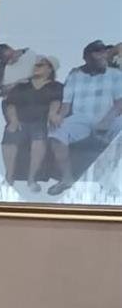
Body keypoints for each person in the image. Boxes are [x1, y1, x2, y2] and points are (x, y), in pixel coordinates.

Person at [48, 40, 122, 196]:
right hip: (81, 118)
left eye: (104, 53)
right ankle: (66, 179)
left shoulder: (115, 74)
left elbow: (118, 103)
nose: (103, 56)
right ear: (87, 57)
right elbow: (66, 103)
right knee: (57, 132)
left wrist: (106, 121)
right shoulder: (74, 75)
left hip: (109, 116)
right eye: (98, 54)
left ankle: (109, 180)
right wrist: (58, 116)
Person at [1, 54, 63, 187]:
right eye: (35, 65)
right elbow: (11, 103)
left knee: (38, 141)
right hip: (20, 121)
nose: (36, 67)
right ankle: (9, 176)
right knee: (10, 137)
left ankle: (32, 179)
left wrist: (52, 114)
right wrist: (13, 120)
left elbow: (56, 101)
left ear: (50, 69)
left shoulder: (56, 86)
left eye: (40, 65)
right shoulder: (22, 85)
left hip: (40, 123)